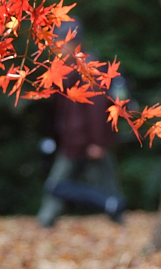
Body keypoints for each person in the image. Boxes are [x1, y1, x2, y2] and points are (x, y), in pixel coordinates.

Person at [36, 20, 127, 227]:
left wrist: (98, 142)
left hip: (85, 139)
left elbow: (96, 108)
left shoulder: (89, 69)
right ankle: (46, 218)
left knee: (89, 181)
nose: (59, 47)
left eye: (62, 42)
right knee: (61, 182)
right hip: (72, 140)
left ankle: (118, 218)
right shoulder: (66, 70)